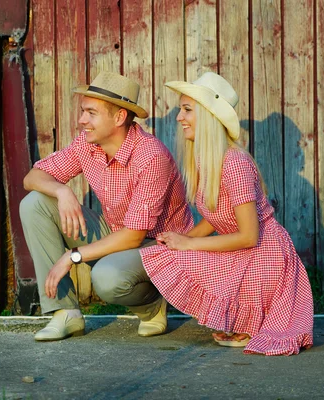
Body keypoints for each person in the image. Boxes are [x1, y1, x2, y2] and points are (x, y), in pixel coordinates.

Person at [140, 72, 314, 355]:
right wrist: (180, 239)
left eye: (187, 110)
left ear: (208, 116)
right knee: (165, 253)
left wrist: (189, 244)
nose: (178, 118)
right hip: (245, 249)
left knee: (181, 253)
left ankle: (251, 317)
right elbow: (216, 215)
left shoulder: (234, 163)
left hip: (263, 254)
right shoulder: (206, 160)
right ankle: (240, 317)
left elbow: (248, 236)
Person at [19, 71, 194, 341]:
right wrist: (61, 190)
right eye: (82, 111)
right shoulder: (88, 145)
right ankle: (65, 313)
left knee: (107, 277)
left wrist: (72, 256)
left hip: (159, 245)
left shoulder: (151, 156)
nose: (82, 120)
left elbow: (135, 235)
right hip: (115, 233)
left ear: (119, 117)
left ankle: (151, 304)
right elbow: (32, 178)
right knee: (35, 203)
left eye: (91, 112)